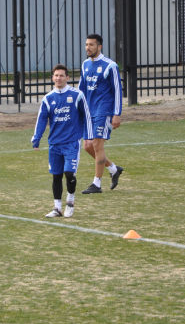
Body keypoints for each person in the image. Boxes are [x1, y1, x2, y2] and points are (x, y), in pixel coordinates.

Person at [32, 64, 93, 217]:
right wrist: (36, 138)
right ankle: (57, 208)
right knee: (56, 175)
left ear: (67, 78)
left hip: (71, 143)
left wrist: (88, 137)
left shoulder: (77, 95)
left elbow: (86, 117)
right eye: (56, 75)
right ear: (52, 78)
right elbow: (41, 120)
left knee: (69, 173)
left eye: (61, 75)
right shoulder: (48, 98)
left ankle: (70, 202)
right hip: (54, 144)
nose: (58, 78)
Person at [78, 33, 124, 194]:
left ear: (99, 46)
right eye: (86, 44)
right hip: (89, 112)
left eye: (91, 45)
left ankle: (96, 184)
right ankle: (113, 169)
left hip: (104, 111)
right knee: (87, 146)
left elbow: (118, 91)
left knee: (97, 145)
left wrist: (117, 114)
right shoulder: (85, 65)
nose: (88, 48)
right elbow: (81, 90)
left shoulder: (110, 66)